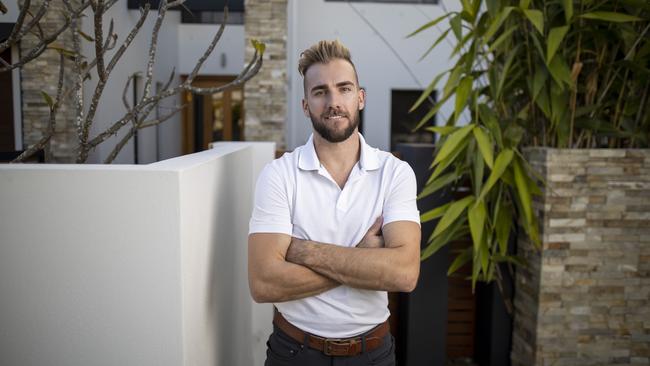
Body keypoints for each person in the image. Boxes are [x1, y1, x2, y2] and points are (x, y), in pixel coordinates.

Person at [248, 39, 421, 366]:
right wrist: (363, 257)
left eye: (343, 89)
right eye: (320, 92)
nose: (333, 101)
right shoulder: (280, 175)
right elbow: (263, 282)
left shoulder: (394, 173)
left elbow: (404, 273)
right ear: (305, 105)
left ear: (360, 98)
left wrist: (302, 251)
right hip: (294, 352)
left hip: (373, 354)